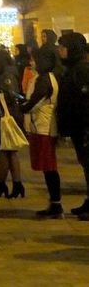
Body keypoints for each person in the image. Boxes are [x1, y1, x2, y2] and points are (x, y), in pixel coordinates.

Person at [23, 46, 63, 217]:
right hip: (43, 126)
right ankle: (54, 203)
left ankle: (56, 204)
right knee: (48, 167)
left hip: (43, 127)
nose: (31, 63)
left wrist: (22, 107)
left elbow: (34, 102)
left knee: (49, 167)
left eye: (34, 59)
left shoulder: (44, 80)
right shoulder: (46, 77)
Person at [56, 32, 89, 218]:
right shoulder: (72, 68)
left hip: (84, 127)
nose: (60, 51)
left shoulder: (82, 70)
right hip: (77, 127)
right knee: (85, 164)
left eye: (63, 47)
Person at [0, 47, 24, 199]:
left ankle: (6, 184)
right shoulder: (1, 73)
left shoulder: (5, 75)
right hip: (3, 117)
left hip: (5, 118)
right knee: (7, 152)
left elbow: (10, 94)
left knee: (5, 152)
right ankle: (13, 184)